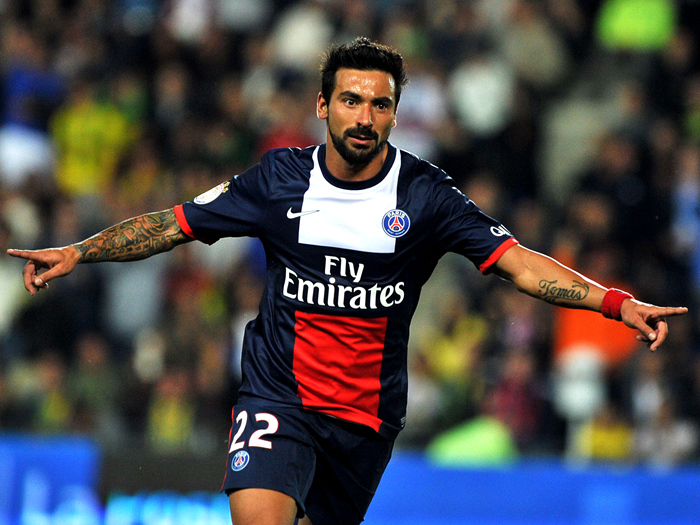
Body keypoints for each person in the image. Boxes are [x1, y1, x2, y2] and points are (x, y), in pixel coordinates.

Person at [6, 37, 688, 525]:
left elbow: (519, 263)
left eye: (380, 105)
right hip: (279, 395)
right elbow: (175, 223)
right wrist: (80, 251)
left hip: (364, 418)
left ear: (396, 112)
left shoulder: (425, 195)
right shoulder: (278, 180)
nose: (365, 117)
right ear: (322, 105)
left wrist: (615, 301)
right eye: (352, 100)